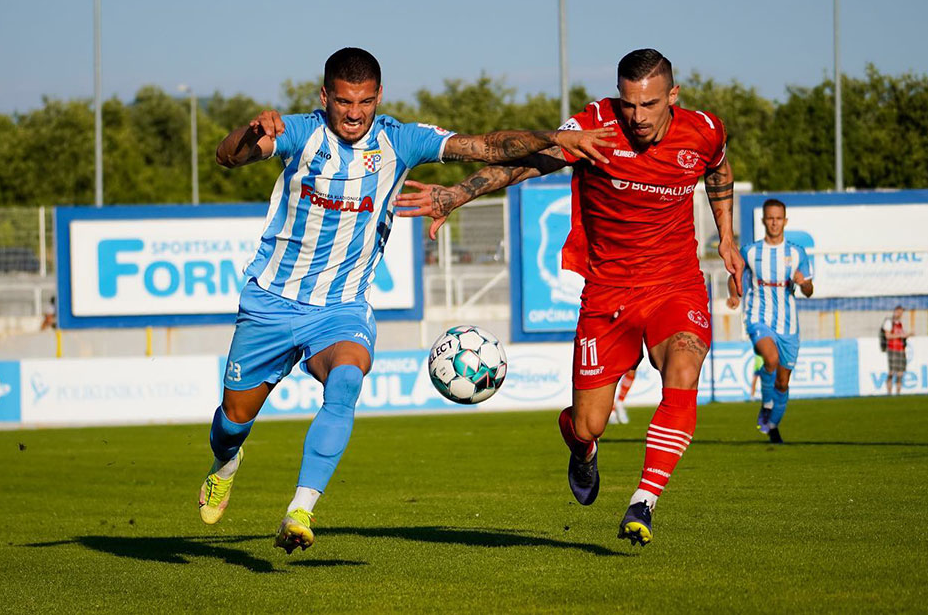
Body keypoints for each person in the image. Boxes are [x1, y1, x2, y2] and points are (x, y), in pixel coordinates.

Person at [198, 47, 616, 553]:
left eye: (366, 102)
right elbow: (228, 157)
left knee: (348, 376)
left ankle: (300, 510)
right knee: (232, 423)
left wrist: (556, 139)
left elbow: (486, 146)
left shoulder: (400, 139)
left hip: (341, 308)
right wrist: (247, 136)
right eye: (345, 102)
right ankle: (226, 462)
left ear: (379, 97)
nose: (355, 114)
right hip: (270, 303)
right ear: (324, 96)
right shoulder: (297, 132)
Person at [395, 48, 744, 547]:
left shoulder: (705, 129)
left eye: (648, 104)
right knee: (589, 423)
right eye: (629, 104)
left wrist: (726, 237)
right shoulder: (597, 127)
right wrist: (460, 192)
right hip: (608, 292)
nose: (637, 117)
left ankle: (643, 502)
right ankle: (582, 449)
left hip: (675, 282)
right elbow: (529, 163)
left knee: (684, 368)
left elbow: (719, 171)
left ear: (673, 95)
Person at [727, 199, 813, 444]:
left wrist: (804, 283)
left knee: (783, 382)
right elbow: (734, 278)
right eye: (770, 218)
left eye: (778, 218)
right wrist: (734, 295)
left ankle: (772, 424)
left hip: (789, 325)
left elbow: (809, 290)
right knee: (771, 359)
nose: (774, 222)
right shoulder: (750, 252)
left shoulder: (797, 253)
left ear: (785, 221)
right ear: (764, 220)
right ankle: (766, 404)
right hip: (758, 317)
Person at [881, 306, 911, 395]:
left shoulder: (900, 324)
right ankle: (889, 393)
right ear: (895, 311)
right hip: (893, 349)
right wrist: (900, 336)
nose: (900, 314)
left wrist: (906, 335)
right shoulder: (889, 322)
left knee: (900, 373)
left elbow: (900, 335)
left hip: (901, 349)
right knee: (892, 372)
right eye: (899, 311)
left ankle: (898, 394)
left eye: (902, 312)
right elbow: (888, 336)